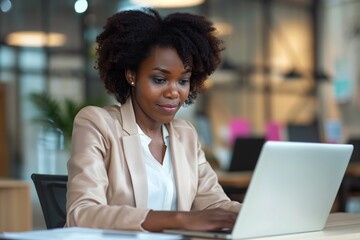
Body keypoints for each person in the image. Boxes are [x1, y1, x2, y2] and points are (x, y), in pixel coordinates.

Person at [65, 8, 241, 232]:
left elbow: (215, 204)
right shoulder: (97, 124)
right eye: (159, 79)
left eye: (183, 81)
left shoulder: (185, 134)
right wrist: (178, 220)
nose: (174, 92)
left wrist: (259, 211)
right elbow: (82, 213)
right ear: (132, 75)